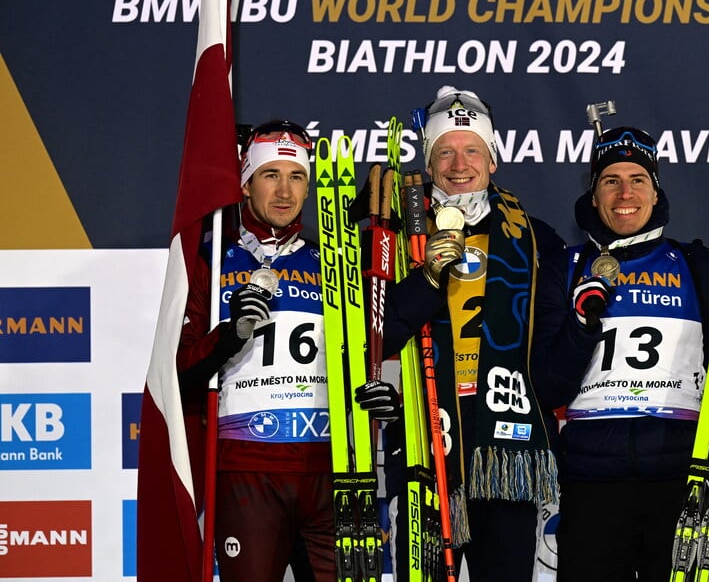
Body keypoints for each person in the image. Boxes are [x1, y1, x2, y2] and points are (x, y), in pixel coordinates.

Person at [530, 122, 709, 582]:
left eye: (638, 180)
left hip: (680, 484)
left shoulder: (700, 265)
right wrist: (581, 322)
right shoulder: (564, 267)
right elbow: (548, 384)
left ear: (655, 193)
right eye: (610, 181)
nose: (624, 193)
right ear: (594, 197)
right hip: (591, 483)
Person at [356, 86, 564, 582]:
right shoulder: (397, 235)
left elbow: (555, 350)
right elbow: (379, 332)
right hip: (425, 437)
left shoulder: (534, 236)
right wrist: (426, 276)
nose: (458, 163)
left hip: (503, 453)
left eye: (472, 149)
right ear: (427, 165)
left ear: (492, 159)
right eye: (443, 151)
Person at [176, 120, 334, 581]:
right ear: (245, 183)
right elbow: (180, 374)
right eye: (270, 175)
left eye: (296, 177)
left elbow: (364, 355)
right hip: (247, 472)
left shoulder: (331, 260)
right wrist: (230, 335)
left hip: (325, 472)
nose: (284, 192)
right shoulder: (210, 259)